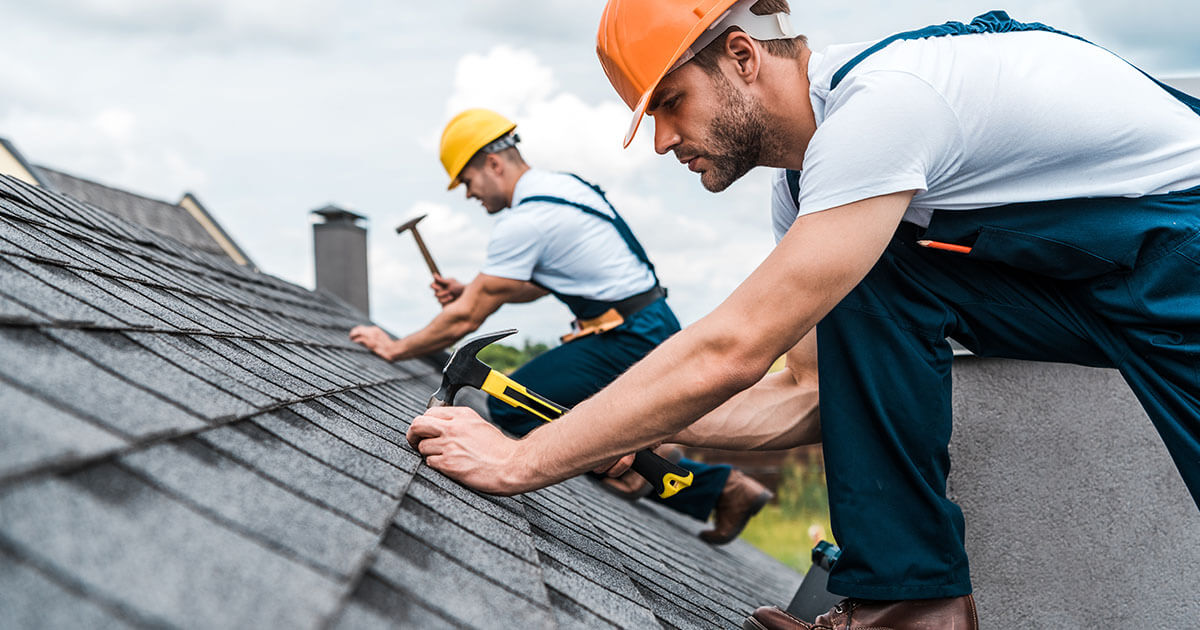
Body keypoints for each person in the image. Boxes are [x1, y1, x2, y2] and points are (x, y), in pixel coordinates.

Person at [405, 3, 1200, 628]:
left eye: (671, 103)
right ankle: (910, 603)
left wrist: (524, 460)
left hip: (1181, 254)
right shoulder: (813, 198)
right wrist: (639, 430)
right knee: (875, 277)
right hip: (1096, 282)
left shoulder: (882, 109)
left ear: (742, 58)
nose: (662, 142)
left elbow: (733, 348)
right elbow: (811, 393)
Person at [350, 107, 772, 544]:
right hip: (644, 324)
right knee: (575, 415)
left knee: (514, 406)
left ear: (493, 164)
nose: (470, 195)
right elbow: (534, 285)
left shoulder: (526, 219)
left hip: (627, 336)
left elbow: (466, 317)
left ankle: (682, 476)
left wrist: (395, 347)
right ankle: (671, 469)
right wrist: (473, 289)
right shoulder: (563, 189)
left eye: (468, 182)